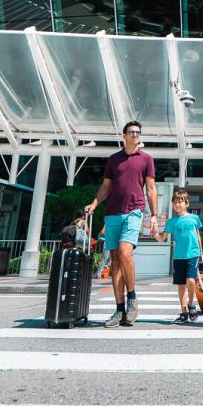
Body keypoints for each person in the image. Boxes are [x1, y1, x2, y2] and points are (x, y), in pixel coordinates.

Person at [85, 121, 157, 328]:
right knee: (115, 260)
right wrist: (95, 203)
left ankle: (132, 297)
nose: (135, 135)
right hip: (112, 214)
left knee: (126, 253)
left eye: (138, 132)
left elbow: (151, 189)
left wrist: (153, 215)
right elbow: (106, 186)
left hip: (134, 211)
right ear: (124, 135)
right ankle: (119, 309)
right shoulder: (114, 160)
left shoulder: (146, 159)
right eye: (131, 132)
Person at [154, 189, 203, 323]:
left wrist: (202, 253)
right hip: (178, 257)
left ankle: (192, 305)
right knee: (181, 285)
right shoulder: (171, 222)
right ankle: (183, 311)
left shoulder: (194, 218)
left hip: (193, 254)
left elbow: (198, 235)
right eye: (175, 202)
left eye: (180, 202)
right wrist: (154, 233)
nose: (177, 204)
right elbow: (161, 238)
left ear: (187, 203)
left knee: (191, 280)